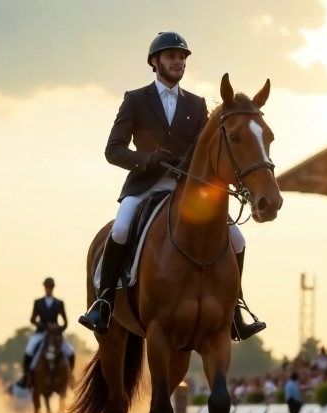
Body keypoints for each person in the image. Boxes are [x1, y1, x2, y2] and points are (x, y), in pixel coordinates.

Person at [76, 30, 266, 342]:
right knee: (121, 228)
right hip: (145, 186)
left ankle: (236, 307)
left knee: (238, 238)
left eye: (181, 57)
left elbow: (207, 149)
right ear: (155, 62)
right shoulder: (135, 100)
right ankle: (105, 301)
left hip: (186, 189)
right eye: (171, 56)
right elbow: (113, 150)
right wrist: (147, 159)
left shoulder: (196, 103)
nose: (178, 61)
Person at [16, 277, 74, 389]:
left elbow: (65, 323)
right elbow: (32, 319)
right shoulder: (38, 302)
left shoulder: (59, 303)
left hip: (56, 335)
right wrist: (43, 326)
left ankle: (70, 376)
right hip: (41, 333)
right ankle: (25, 376)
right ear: (44, 288)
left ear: (53, 288)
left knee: (70, 351)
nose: (49, 289)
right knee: (29, 350)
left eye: (51, 287)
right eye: (47, 287)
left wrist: (57, 328)